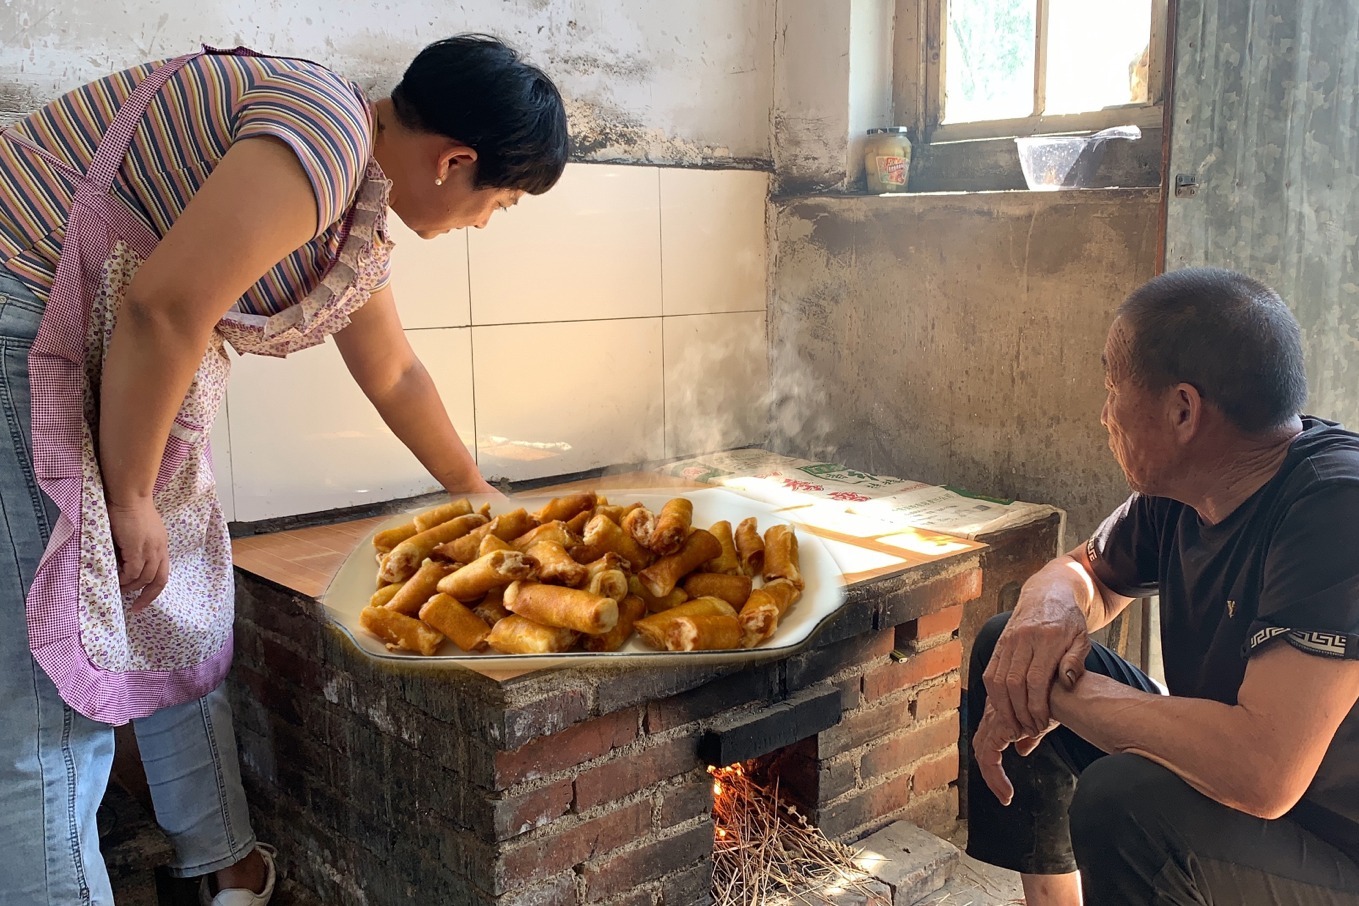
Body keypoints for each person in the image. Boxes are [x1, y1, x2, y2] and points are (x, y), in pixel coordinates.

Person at [0, 34, 567, 905]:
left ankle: (229, 869)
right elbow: (164, 307)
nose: (484, 224)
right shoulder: (327, 131)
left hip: (86, 344)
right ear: (454, 161)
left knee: (172, 605)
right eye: (498, 203)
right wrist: (131, 495)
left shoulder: (354, 210)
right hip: (20, 315)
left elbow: (395, 373)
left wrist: (475, 490)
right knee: (46, 705)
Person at [966, 268, 1359, 904]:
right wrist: (1045, 608)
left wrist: (1050, 694)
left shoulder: (1336, 508)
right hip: (1240, 798)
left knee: (1125, 801)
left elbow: (1264, 770)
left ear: (1183, 410)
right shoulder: (1188, 486)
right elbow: (1087, 572)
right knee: (1006, 644)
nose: (1103, 415)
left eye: (1112, 388)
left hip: (1332, 846)